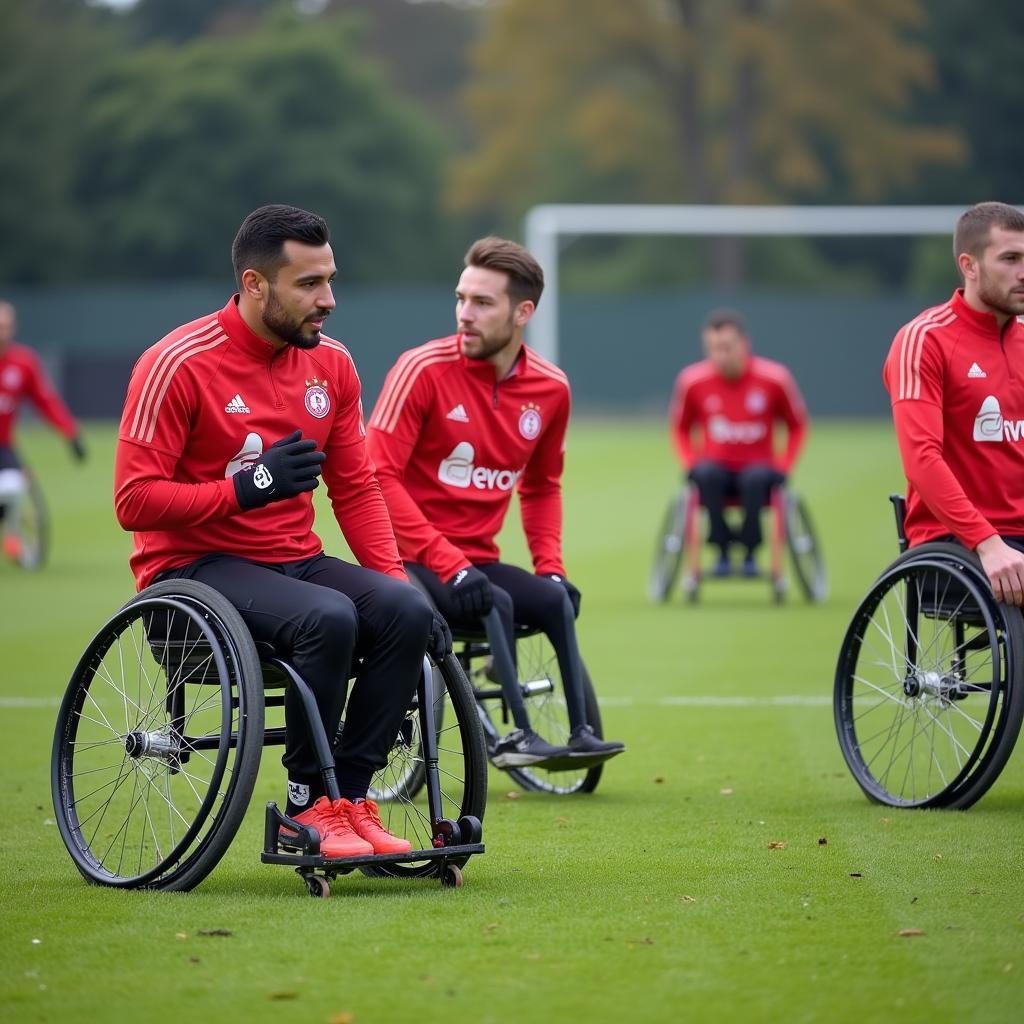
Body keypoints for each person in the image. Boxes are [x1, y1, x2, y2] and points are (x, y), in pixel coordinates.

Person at [114, 204, 451, 859]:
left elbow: (356, 488)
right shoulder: (176, 362)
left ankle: (350, 801)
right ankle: (307, 809)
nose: (327, 300)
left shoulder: (334, 365)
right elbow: (133, 500)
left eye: (329, 280)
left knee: (406, 606)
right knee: (326, 617)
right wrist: (244, 488)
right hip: (190, 575)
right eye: (308, 285)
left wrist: (392, 577)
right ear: (255, 285)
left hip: (293, 563)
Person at [366, 236, 624, 769]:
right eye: (461, 299)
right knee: (494, 602)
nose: (465, 314)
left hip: (475, 560)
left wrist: (551, 569)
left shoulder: (551, 388)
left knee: (555, 599)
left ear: (522, 311)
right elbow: (377, 477)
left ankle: (581, 733)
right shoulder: (421, 369)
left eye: (482, 303)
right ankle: (516, 739)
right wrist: (448, 564)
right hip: (407, 559)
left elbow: (542, 486)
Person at [883, 200, 1024, 605]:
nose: (1023, 271)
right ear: (970, 265)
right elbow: (921, 459)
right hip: (956, 546)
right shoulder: (924, 339)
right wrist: (988, 543)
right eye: (1010, 258)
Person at [668, 309, 808, 577]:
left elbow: (797, 425)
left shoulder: (774, 379)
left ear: (744, 344)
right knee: (705, 474)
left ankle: (750, 550)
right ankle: (720, 548)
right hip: (716, 467)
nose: (720, 355)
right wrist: (689, 462)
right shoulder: (693, 381)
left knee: (754, 480)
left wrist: (785, 465)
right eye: (713, 348)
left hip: (758, 467)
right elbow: (681, 428)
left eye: (727, 348)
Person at [0, 300, 86, 562]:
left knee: (14, 487)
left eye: (6, 326)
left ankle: (13, 536)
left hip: (4, 445)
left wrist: (70, 433)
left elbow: (45, 400)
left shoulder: (23, 363)